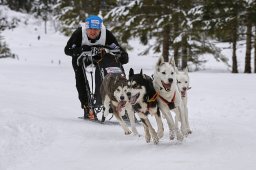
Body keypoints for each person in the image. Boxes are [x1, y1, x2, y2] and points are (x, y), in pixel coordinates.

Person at [64, 15, 129, 120]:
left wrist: (123, 56)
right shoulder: (79, 34)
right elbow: (67, 50)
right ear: (86, 28)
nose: (93, 32)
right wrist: (80, 50)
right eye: (90, 29)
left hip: (99, 57)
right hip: (82, 57)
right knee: (80, 74)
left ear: (100, 29)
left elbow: (118, 49)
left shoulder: (106, 34)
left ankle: (118, 102)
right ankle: (87, 106)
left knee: (114, 66)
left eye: (96, 30)